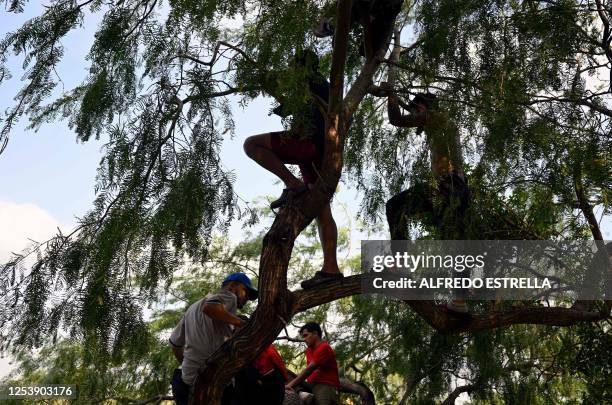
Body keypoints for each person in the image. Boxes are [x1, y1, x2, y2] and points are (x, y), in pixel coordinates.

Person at [243, 50, 342, 289]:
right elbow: (292, 110)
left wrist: (264, 76)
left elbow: (282, 93)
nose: (289, 70)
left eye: (292, 66)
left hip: (308, 145)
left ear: (301, 67)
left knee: (251, 144)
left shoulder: (310, 81)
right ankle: (331, 268)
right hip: (322, 153)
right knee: (322, 209)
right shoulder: (321, 86)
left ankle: (292, 183)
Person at [376, 83, 472, 317]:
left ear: (424, 107)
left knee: (396, 205)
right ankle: (459, 303)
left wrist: (390, 95)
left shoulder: (437, 118)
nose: (415, 114)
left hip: (447, 187)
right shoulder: (441, 124)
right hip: (458, 190)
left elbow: (397, 120)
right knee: (456, 244)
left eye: (416, 108)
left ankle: (399, 265)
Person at [169, 272, 258, 405]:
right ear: (233, 286)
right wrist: (240, 323)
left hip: (188, 379)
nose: (247, 298)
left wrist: (191, 365)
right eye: (246, 292)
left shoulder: (191, 309)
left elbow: (174, 343)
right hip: (214, 377)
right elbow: (209, 308)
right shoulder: (229, 296)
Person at [313, 0, 403, 60]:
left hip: (383, 10)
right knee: (365, 50)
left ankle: (328, 27)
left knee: (366, 50)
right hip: (380, 13)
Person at [286, 322, 340, 405]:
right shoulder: (309, 350)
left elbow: (309, 370)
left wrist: (290, 385)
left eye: (306, 335)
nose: (304, 339)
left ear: (315, 333)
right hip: (311, 384)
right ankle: (303, 394)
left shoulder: (324, 347)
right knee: (286, 373)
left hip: (325, 385)